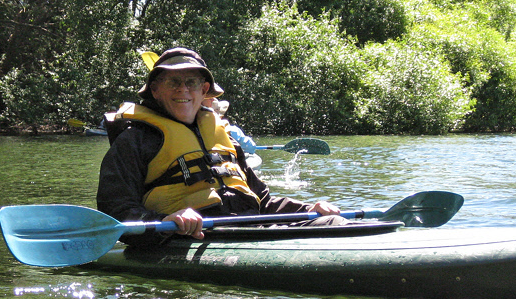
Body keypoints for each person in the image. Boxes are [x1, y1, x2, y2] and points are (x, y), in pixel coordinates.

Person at [96, 47, 343, 242]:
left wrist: (308, 209)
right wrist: (165, 221)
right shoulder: (134, 141)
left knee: (338, 223)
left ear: (204, 90)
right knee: (336, 231)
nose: (183, 90)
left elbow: (262, 201)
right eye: (172, 82)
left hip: (251, 228)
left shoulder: (225, 139)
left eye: (191, 82)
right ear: (155, 90)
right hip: (192, 237)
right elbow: (116, 212)